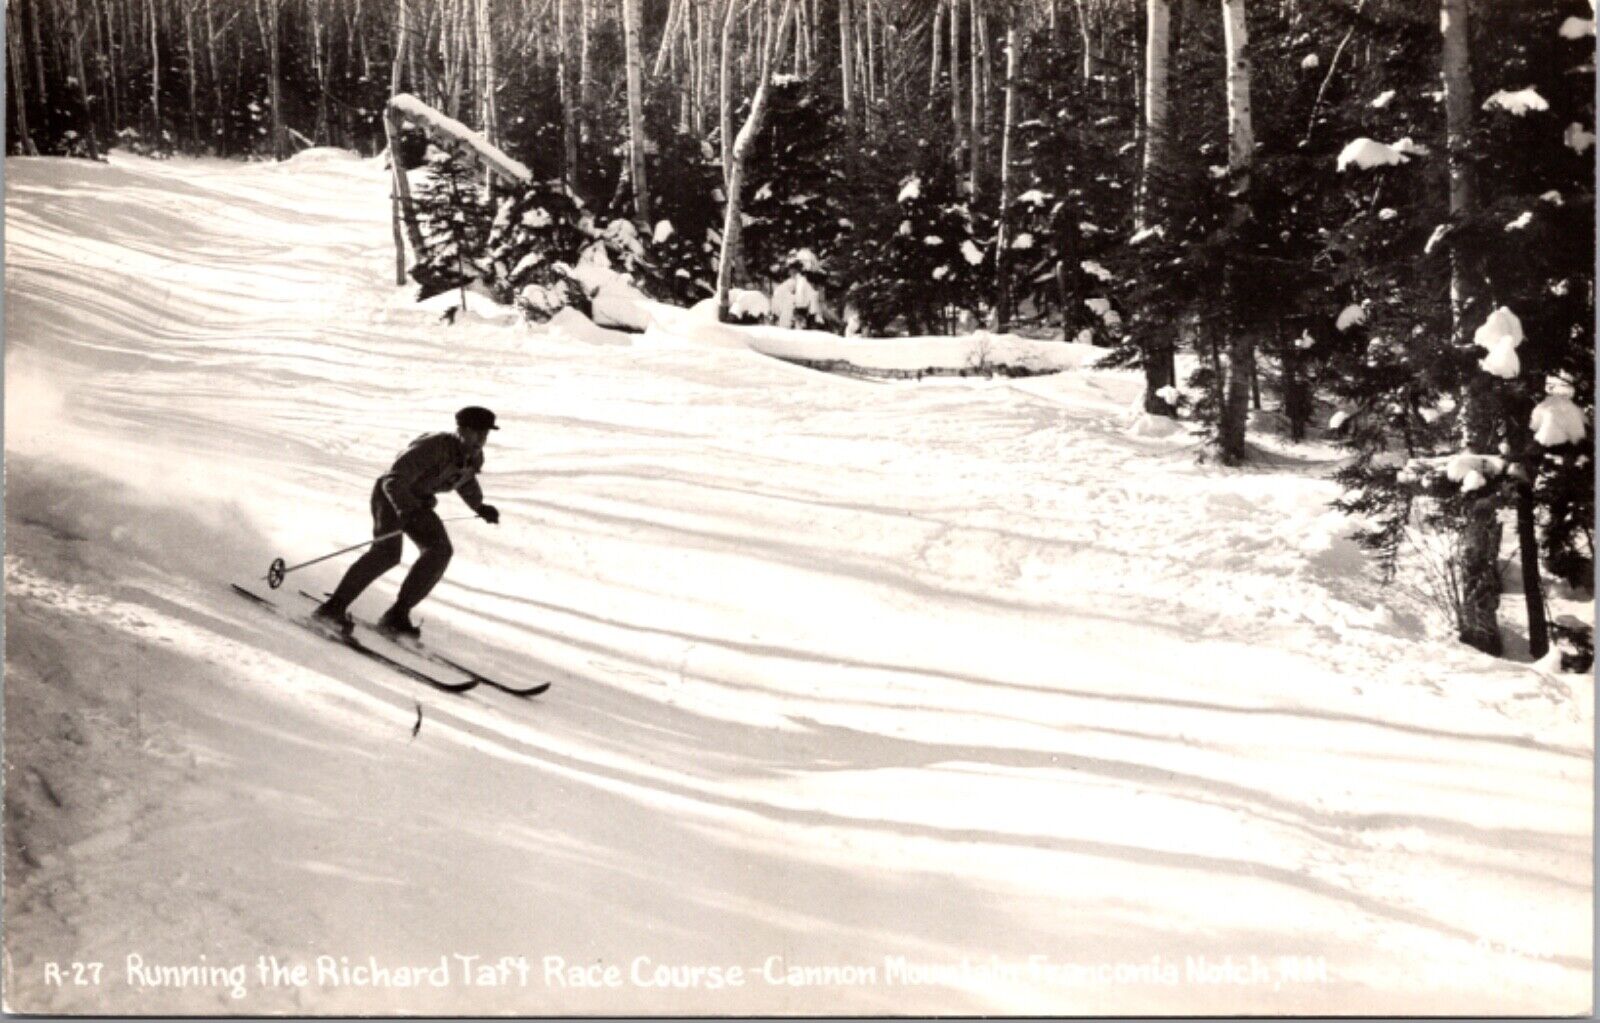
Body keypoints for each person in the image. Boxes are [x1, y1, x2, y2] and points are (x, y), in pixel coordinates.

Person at [313, 406, 501, 637]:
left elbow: (464, 481)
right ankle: (333, 608)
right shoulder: (433, 446)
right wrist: (405, 510)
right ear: (461, 429)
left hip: (419, 503)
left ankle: (397, 615)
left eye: (485, 434)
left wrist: (479, 506)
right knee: (387, 553)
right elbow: (393, 480)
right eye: (477, 433)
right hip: (393, 496)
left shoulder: (473, 456)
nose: (481, 439)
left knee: (440, 551)